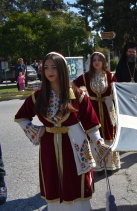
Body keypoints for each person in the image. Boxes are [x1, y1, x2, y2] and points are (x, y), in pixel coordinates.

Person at [14, 52, 110, 211]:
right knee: (53, 182)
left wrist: (99, 143)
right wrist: (37, 131)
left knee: (77, 182)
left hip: (75, 145)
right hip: (49, 147)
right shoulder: (38, 96)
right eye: (46, 67)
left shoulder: (77, 94)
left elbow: (91, 123)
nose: (49, 71)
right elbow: (21, 117)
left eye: (54, 67)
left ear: (63, 69)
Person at [73, 51, 120, 176]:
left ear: (103, 62)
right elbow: (73, 85)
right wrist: (82, 98)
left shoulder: (110, 76)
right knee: (94, 134)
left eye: (99, 59)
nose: (97, 62)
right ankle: (98, 165)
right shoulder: (86, 76)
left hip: (108, 109)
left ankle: (110, 165)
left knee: (109, 133)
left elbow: (118, 90)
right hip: (92, 109)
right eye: (94, 60)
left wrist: (112, 96)